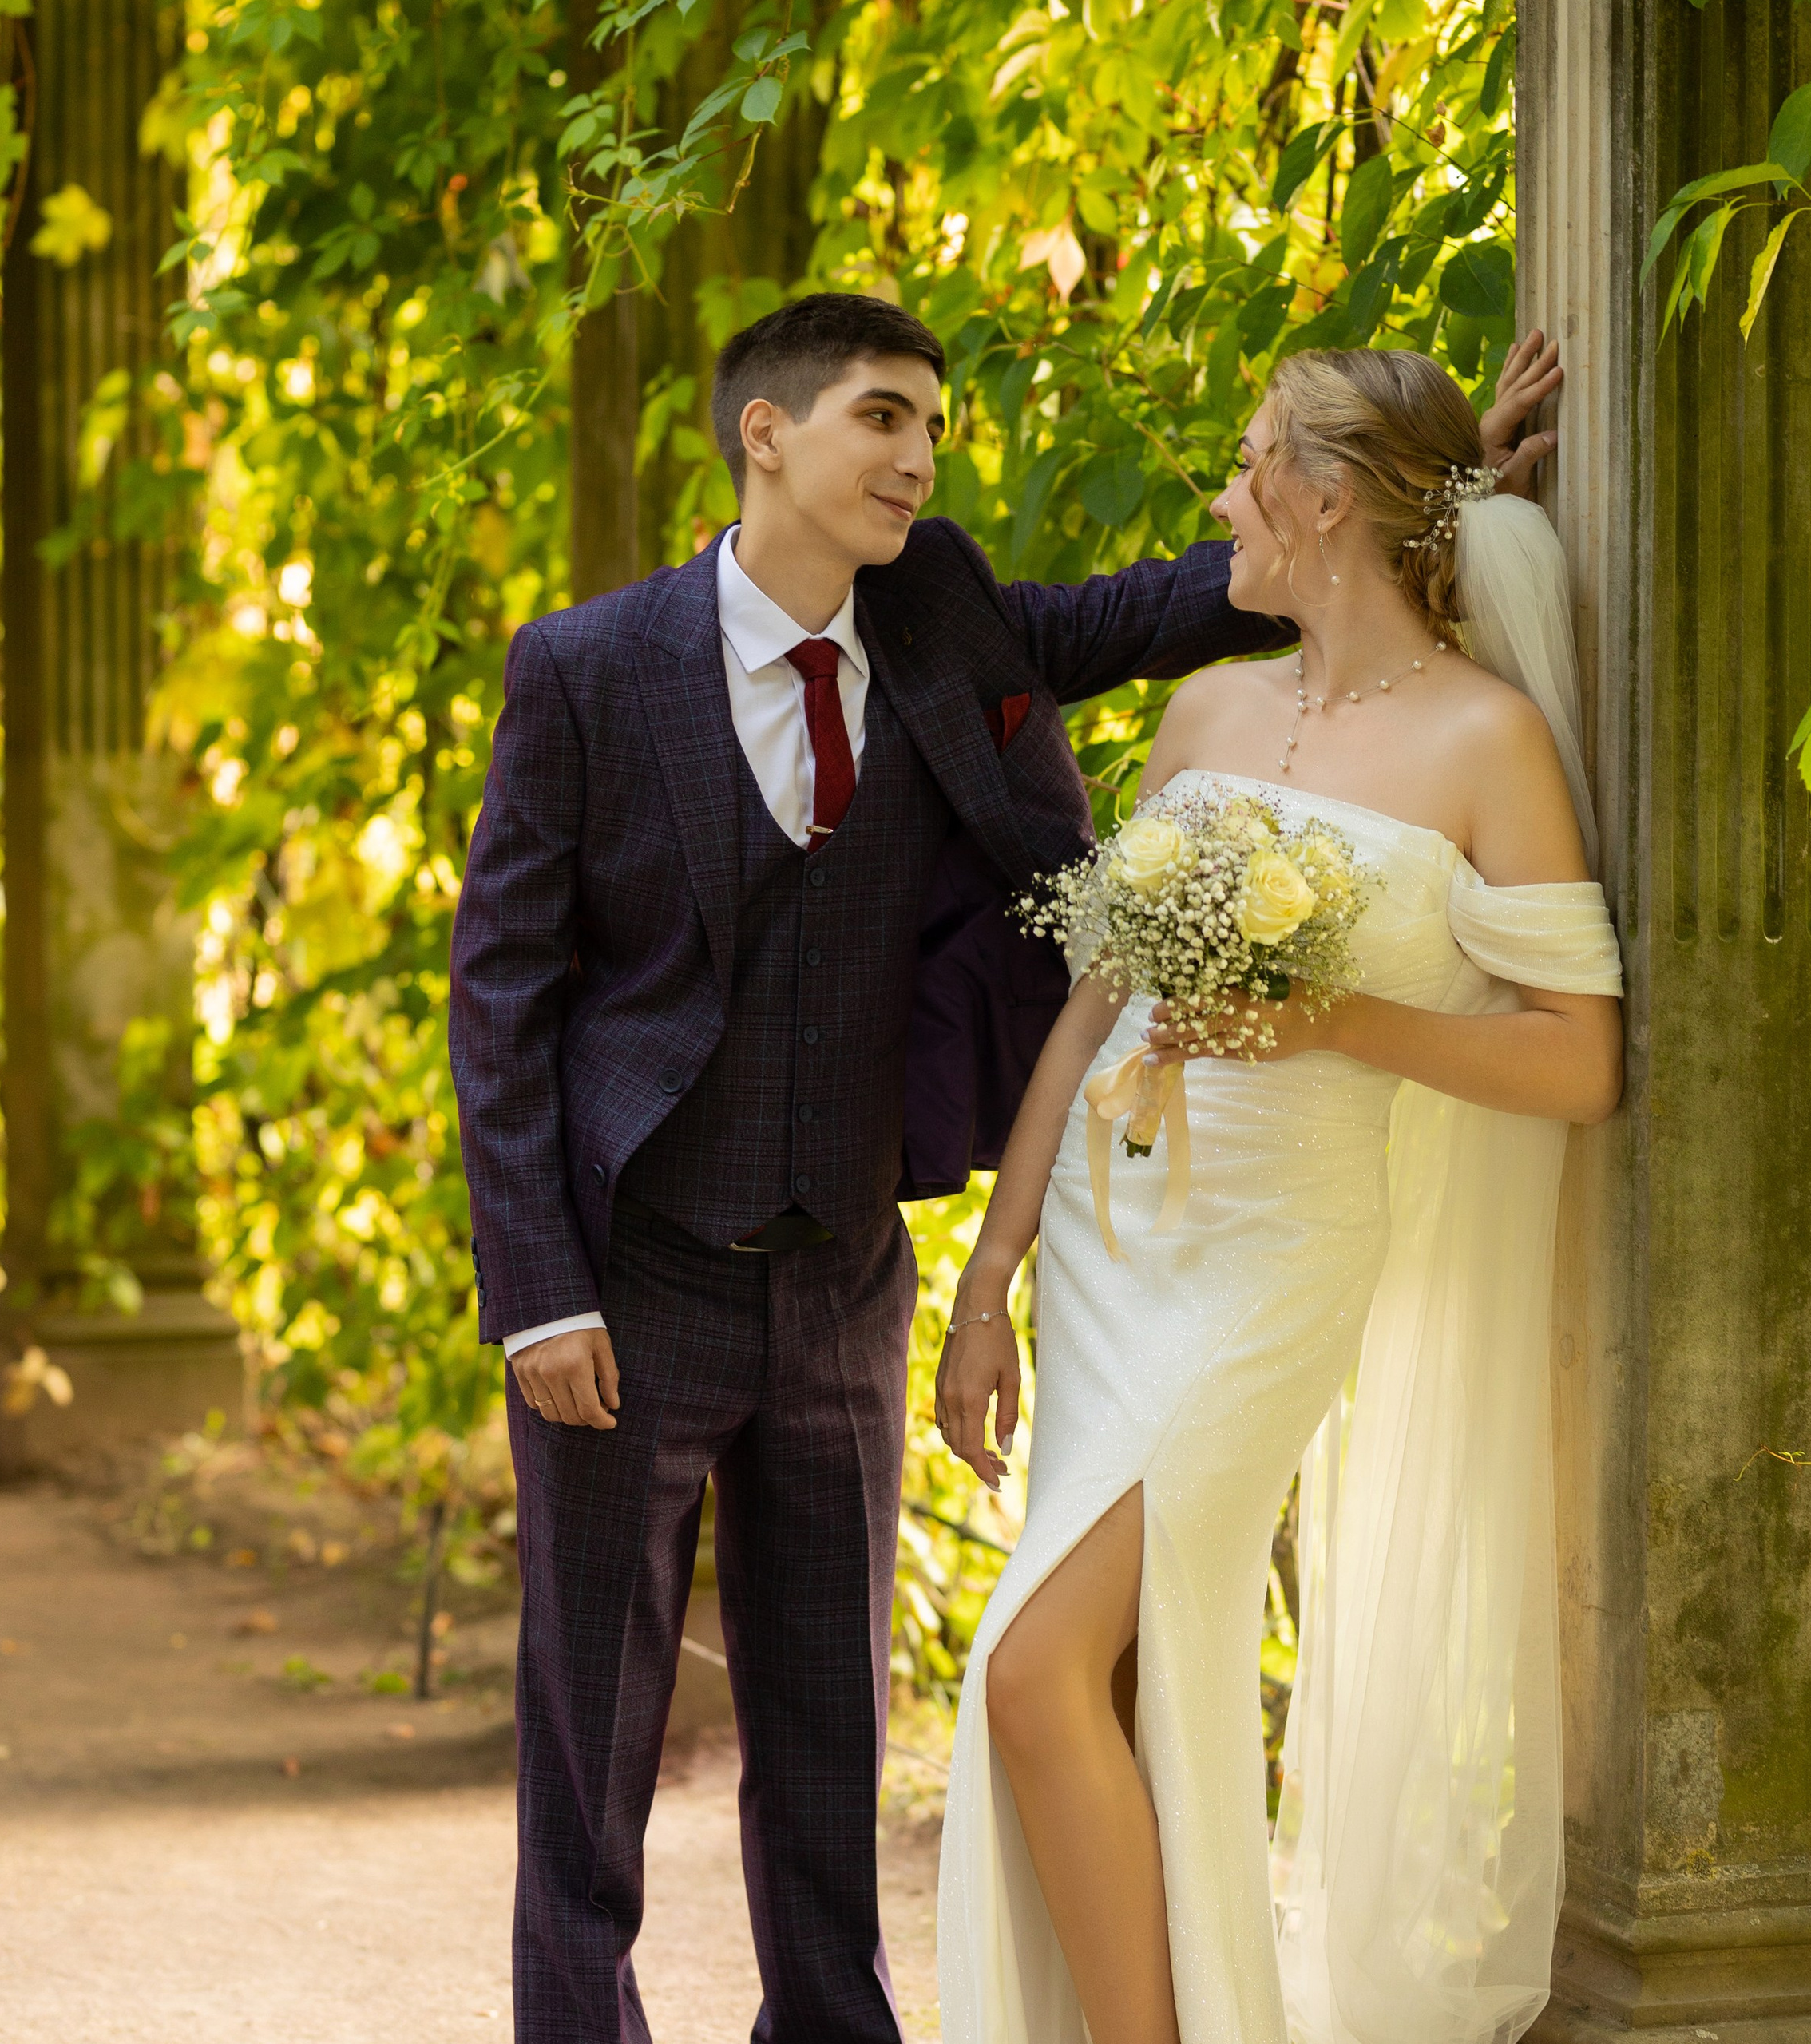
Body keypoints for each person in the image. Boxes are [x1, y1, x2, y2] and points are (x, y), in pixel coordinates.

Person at [450, 285, 1556, 2043]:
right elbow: (500, 993)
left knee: (828, 1717)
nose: (916, 455)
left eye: (930, 428)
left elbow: (1138, 609)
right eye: (881, 418)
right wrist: (537, 1295)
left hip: (837, 1272)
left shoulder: (939, 606)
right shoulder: (587, 668)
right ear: (768, 433)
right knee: (591, 1722)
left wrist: (1448, 503)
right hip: (632, 1263)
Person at [933, 346, 1623, 2044]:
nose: (1223, 501)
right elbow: (1091, 1002)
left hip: (1277, 1253)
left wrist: (1335, 1017)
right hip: (1111, 1233)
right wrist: (989, 1265)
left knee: (1027, 1669)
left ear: (1326, 500)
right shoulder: (1207, 712)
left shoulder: (1486, 738)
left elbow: (1579, 1056)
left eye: (1249, 468)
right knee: (1099, 1672)